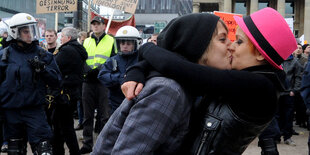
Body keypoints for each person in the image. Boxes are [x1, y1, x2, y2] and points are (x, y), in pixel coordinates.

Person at [121, 7, 296, 154]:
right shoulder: (253, 79)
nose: (231, 46)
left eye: (240, 42)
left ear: (259, 54)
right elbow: (183, 64)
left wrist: (146, 48)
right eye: (227, 39)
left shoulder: (260, 86)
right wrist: (137, 69)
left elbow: (180, 68)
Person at [92, 12, 231, 155]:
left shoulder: (186, 86)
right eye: (222, 39)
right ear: (197, 45)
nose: (230, 45)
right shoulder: (168, 91)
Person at [0, 13, 62, 154]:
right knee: (14, 150)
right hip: (11, 111)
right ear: (15, 32)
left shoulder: (43, 55)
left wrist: (43, 70)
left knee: (44, 149)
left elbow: (57, 81)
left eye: (32, 30)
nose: (30, 34)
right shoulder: (4, 55)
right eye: (26, 31)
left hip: (34, 110)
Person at [80, 16, 116, 154]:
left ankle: (104, 144)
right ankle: (87, 144)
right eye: (93, 24)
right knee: (87, 115)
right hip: (88, 81)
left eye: (98, 24)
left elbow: (114, 59)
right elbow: (82, 59)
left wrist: (100, 70)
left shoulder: (111, 40)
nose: (95, 26)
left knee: (104, 115)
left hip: (103, 82)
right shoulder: (86, 41)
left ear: (103, 26)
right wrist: (88, 71)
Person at [51, 27, 88, 155]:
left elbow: (53, 66)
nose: (60, 39)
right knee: (62, 124)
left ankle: (70, 151)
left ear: (68, 38)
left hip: (64, 94)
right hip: (71, 93)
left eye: (62, 37)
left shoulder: (67, 50)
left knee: (64, 126)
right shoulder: (77, 49)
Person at [98, 26, 142, 113]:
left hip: (136, 102)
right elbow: (102, 76)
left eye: (128, 44)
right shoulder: (112, 60)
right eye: (122, 43)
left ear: (136, 44)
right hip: (115, 103)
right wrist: (120, 77)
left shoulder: (141, 60)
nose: (125, 46)